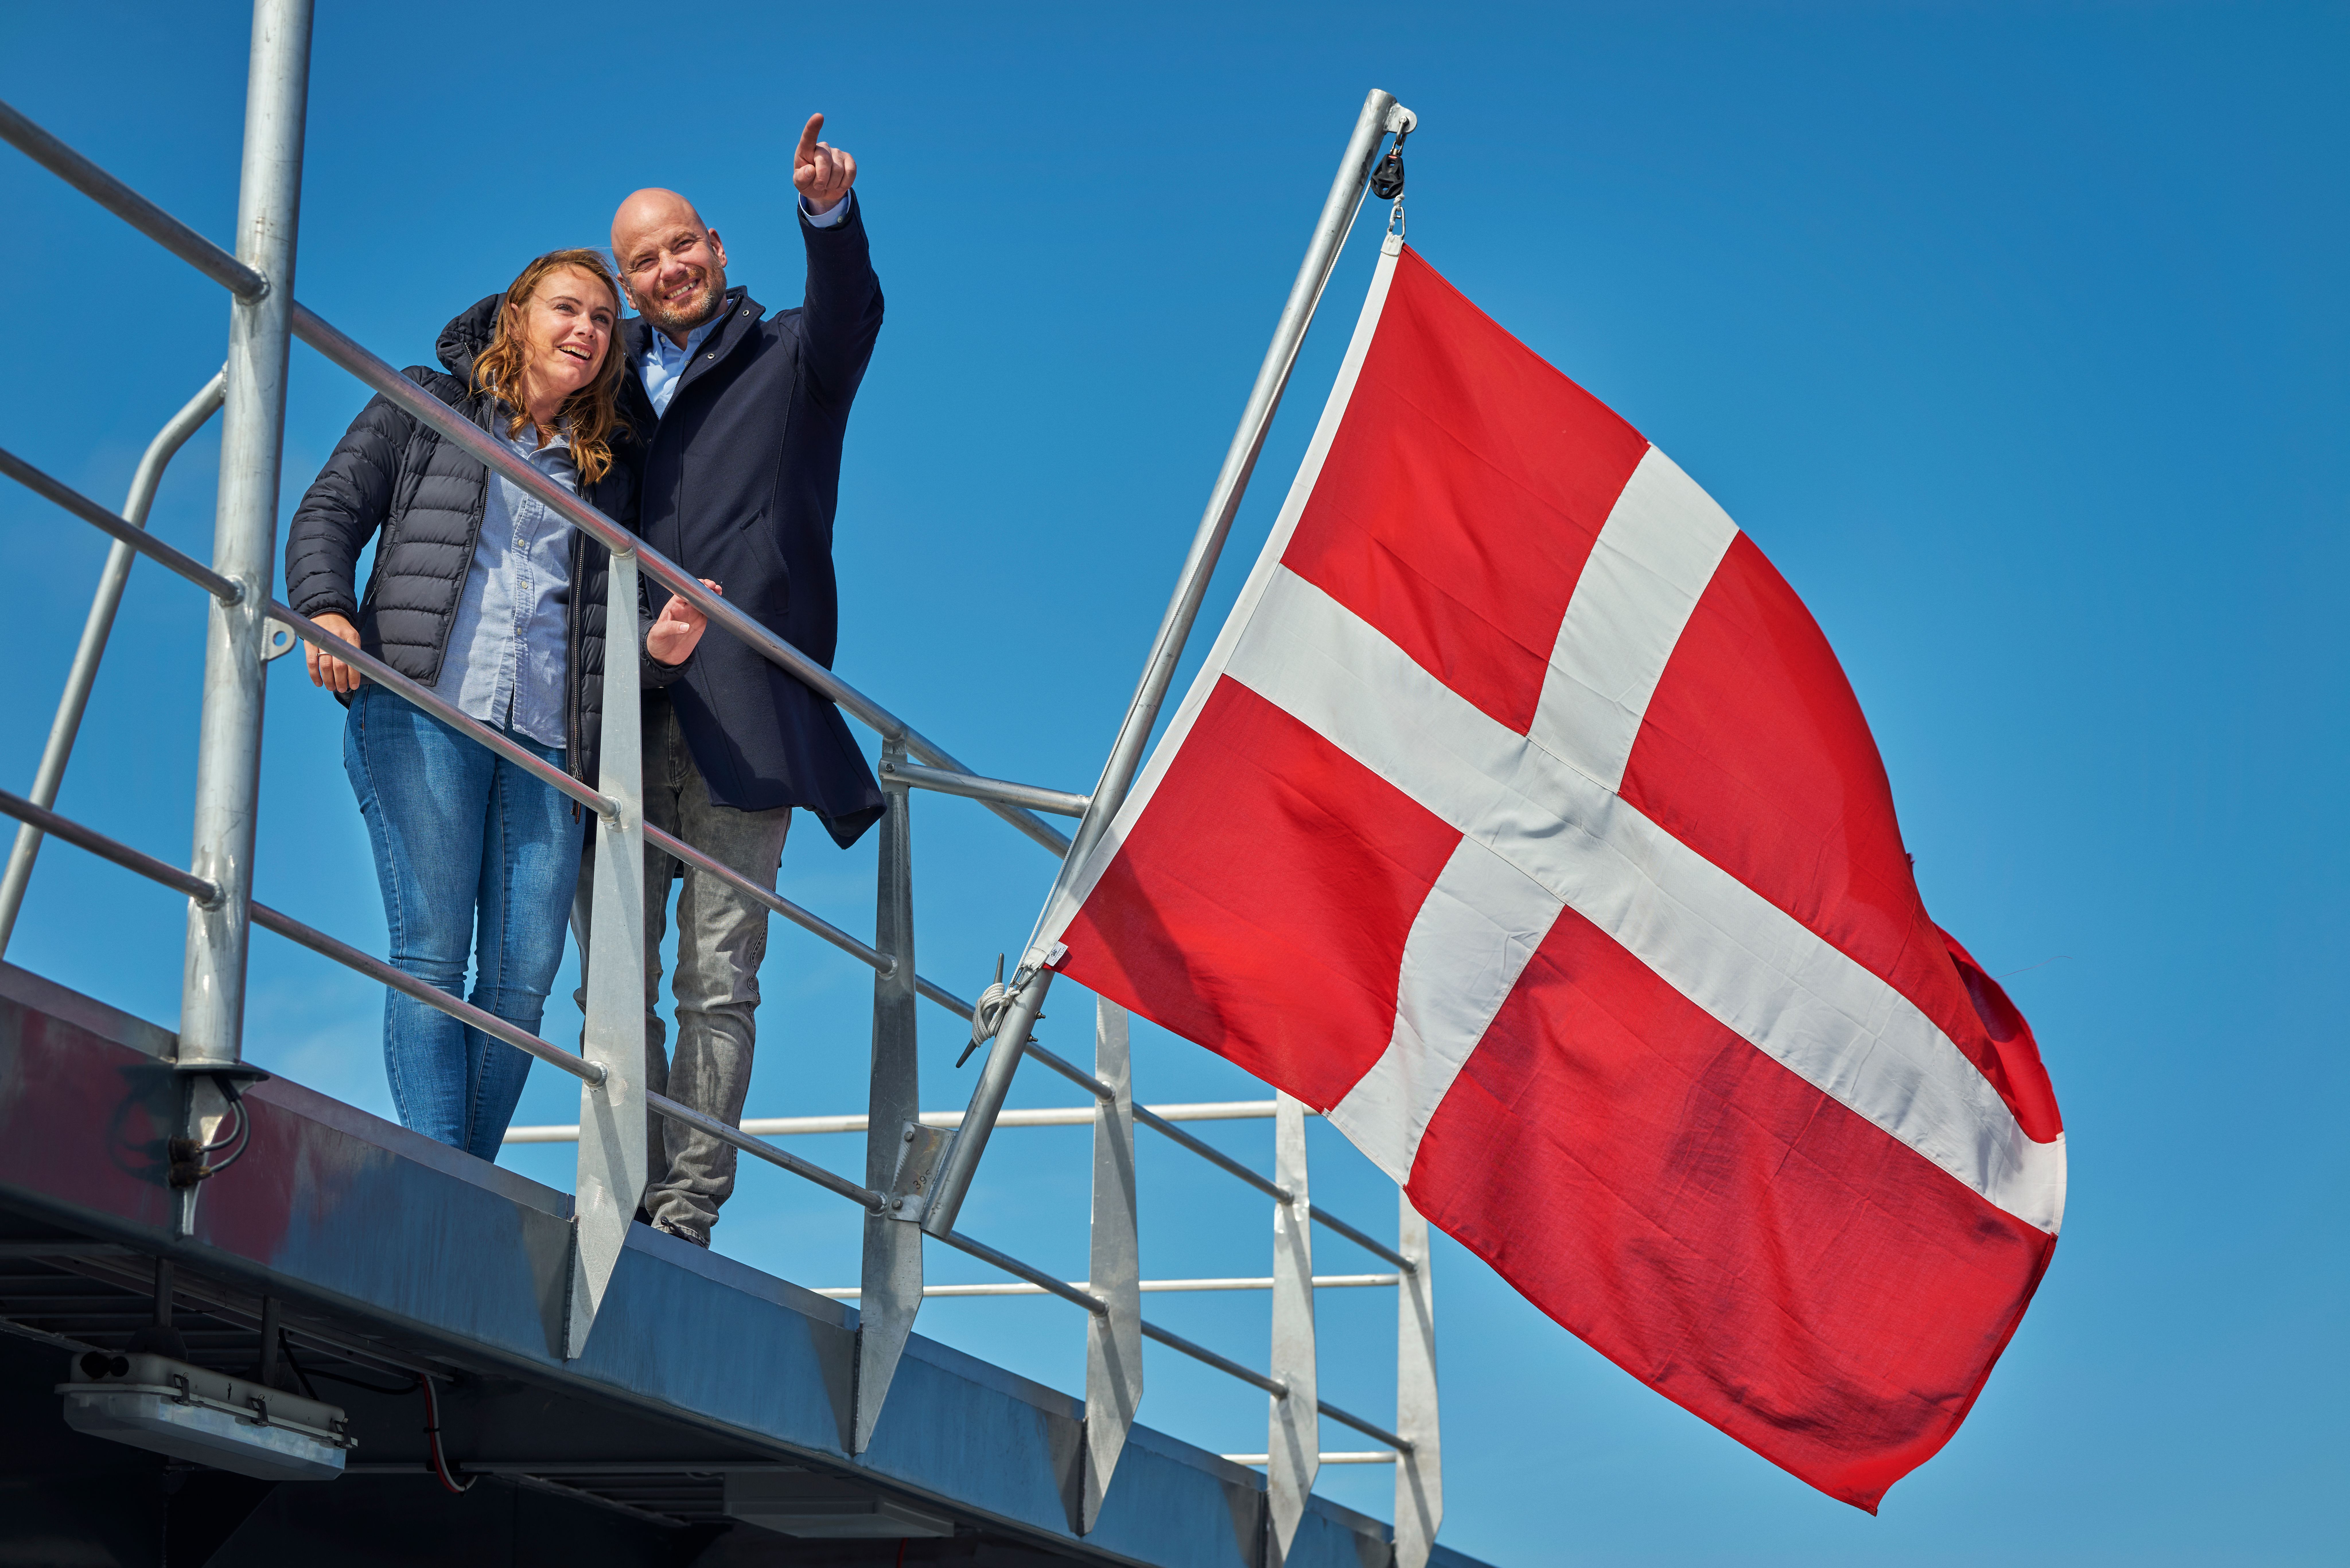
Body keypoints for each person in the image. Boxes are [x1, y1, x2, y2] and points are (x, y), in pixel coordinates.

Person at [284, 250, 715, 1159]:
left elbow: (610, 628)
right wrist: (327, 608)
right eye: (568, 309)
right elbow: (330, 508)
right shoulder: (425, 402)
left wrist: (661, 647)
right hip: (420, 708)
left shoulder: (603, 473)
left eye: (604, 321)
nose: (589, 333)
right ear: (516, 316)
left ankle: (454, 1178)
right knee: (435, 951)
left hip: (547, 744)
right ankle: (449, 1176)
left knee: (524, 977)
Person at [592, 113, 885, 1245]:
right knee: (609, 974)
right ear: (625, 282)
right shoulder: (609, 386)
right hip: (622, 703)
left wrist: (828, 215)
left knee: (714, 976)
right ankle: (626, 1172)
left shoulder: (794, 355)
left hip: (745, 713)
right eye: (642, 263)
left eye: (681, 247)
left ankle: (684, 1206)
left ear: (715, 245)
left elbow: (852, 309)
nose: (668, 270)